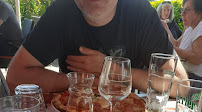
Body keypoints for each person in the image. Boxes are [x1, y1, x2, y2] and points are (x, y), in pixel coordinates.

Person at [6, 0, 187, 97]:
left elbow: (181, 86)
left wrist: (110, 70)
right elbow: (14, 78)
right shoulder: (61, 11)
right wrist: (80, 81)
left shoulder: (140, 12)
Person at [162, 0, 202, 81]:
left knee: (157, 76)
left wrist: (171, 47)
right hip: (183, 73)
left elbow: (197, 58)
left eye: (186, 10)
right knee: (156, 72)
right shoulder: (190, 28)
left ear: (199, 11)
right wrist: (165, 27)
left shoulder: (200, 28)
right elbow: (176, 44)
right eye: (182, 10)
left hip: (193, 80)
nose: (182, 13)